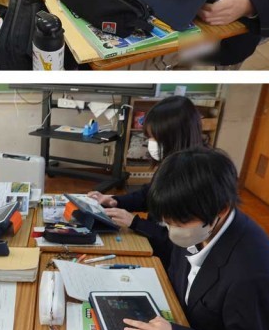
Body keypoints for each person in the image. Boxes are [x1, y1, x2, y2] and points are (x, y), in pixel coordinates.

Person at [124, 148, 269, 330]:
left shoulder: (254, 276)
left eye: (179, 222)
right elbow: (180, 276)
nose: (172, 230)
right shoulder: (202, 226)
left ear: (222, 209)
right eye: (167, 221)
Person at [88, 96, 205, 264]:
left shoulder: (197, 179)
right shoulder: (171, 164)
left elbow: (177, 244)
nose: (150, 143)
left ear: (175, 137)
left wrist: (135, 223)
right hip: (152, 240)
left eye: (155, 138)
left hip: (166, 258)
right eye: (149, 137)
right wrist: (115, 201)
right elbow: (149, 195)